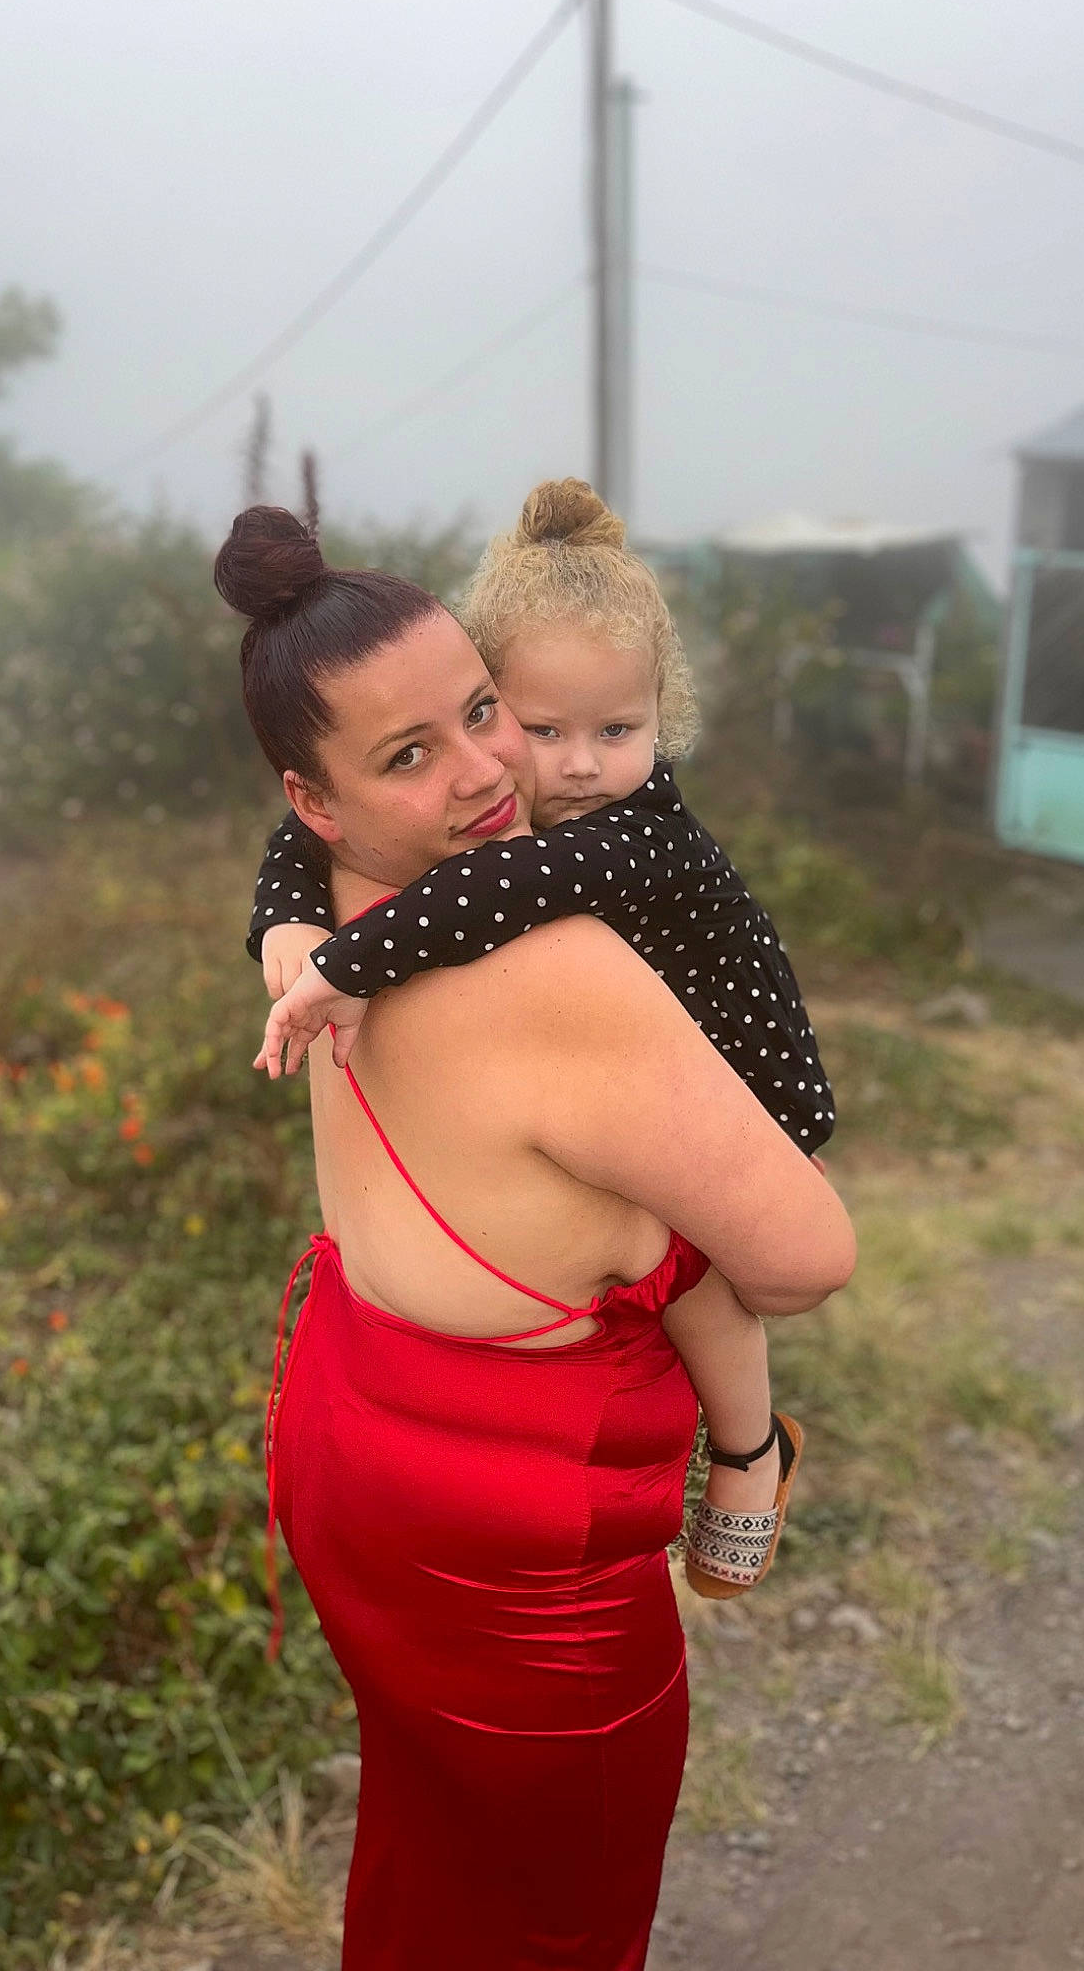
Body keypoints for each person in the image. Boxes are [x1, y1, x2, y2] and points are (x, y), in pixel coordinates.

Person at [214, 503, 854, 1971]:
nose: (491, 769)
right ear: (317, 797)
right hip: (509, 1547)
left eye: (480, 712)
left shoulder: (347, 906)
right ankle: (751, 1454)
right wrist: (665, 1225)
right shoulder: (553, 965)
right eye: (410, 754)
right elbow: (807, 1257)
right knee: (559, 1917)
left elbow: (321, 879)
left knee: (431, 1846)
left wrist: (292, 939)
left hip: (352, 1445)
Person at [248, 479, 833, 1596]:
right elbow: (300, 832)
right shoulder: (503, 800)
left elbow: (496, 889)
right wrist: (285, 920)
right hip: (639, 1088)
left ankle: (752, 1454)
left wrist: (347, 962)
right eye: (539, 726)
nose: (575, 765)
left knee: (710, 1285)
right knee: (645, 1245)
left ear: (662, 718)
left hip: (748, 1086)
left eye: (616, 732)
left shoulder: (638, 832)